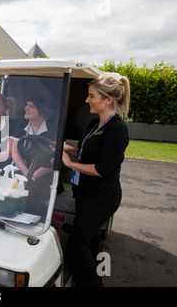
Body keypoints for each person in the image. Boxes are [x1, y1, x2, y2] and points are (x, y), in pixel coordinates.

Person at [62, 74, 130, 287]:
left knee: (76, 246)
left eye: (91, 96)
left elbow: (102, 169)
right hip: (85, 194)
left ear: (108, 99)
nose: (86, 100)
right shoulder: (95, 123)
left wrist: (70, 164)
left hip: (101, 199)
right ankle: (100, 273)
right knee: (92, 242)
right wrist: (66, 148)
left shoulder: (117, 129)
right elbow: (85, 152)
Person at [11, 94, 57, 219]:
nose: (26, 108)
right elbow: (14, 152)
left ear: (43, 109)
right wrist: (27, 172)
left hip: (43, 175)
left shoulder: (54, 129)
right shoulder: (21, 126)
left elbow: (56, 159)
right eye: (27, 104)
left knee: (33, 193)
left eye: (31, 106)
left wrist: (35, 175)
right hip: (23, 172)